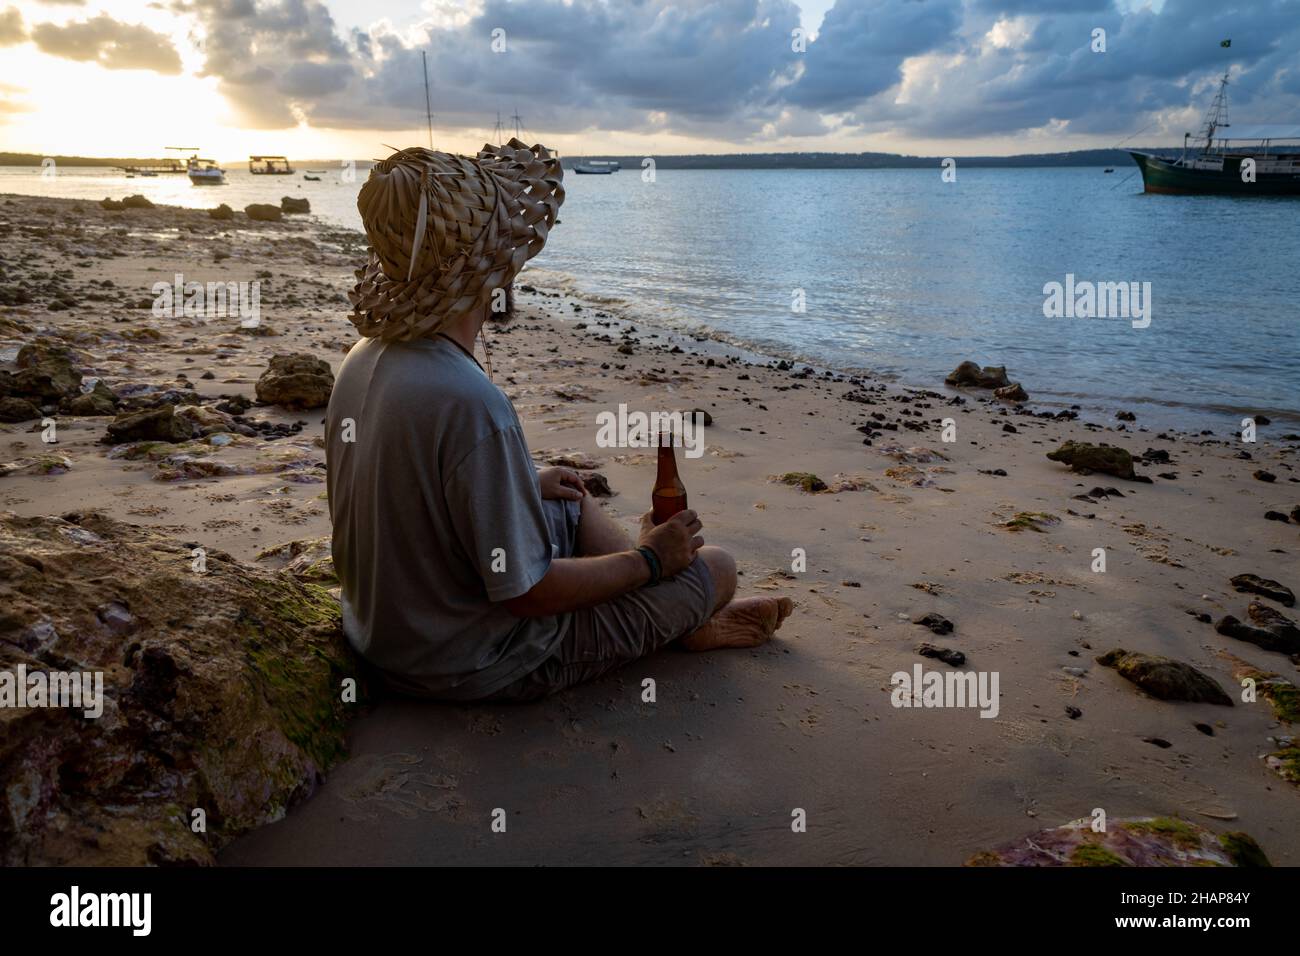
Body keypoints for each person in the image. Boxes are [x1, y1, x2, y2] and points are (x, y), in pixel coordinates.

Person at [326, 141, 792, 702]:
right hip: (475, 659)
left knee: (567, 494)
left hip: (387, 634)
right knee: (717, 566)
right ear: (493, 268)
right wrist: (648, 561)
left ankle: (664, 601)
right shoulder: (470, 402)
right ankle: (676, 607)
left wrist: (520, 481)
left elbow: (406, 488)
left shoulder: (364, 358)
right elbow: (528, 595)